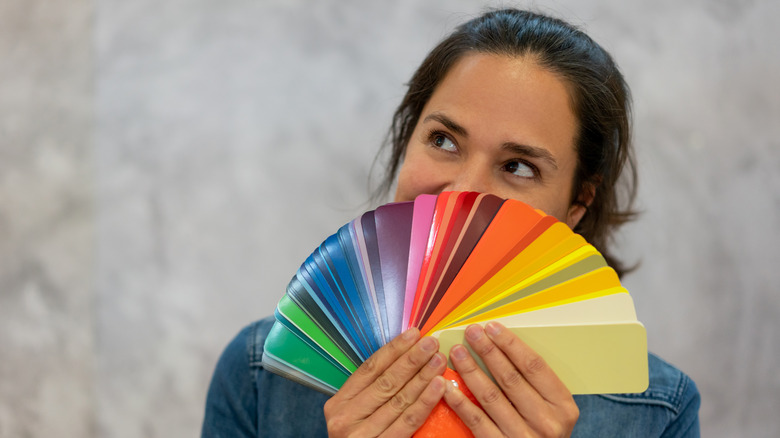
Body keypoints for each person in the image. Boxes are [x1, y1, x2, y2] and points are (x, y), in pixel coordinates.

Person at [201, 8, 700, 437]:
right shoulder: (258, 375)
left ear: (576, 205)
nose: (462, 192)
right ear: (408, 136)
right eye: (443, 140)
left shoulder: (657, 413)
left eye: (518, 167)